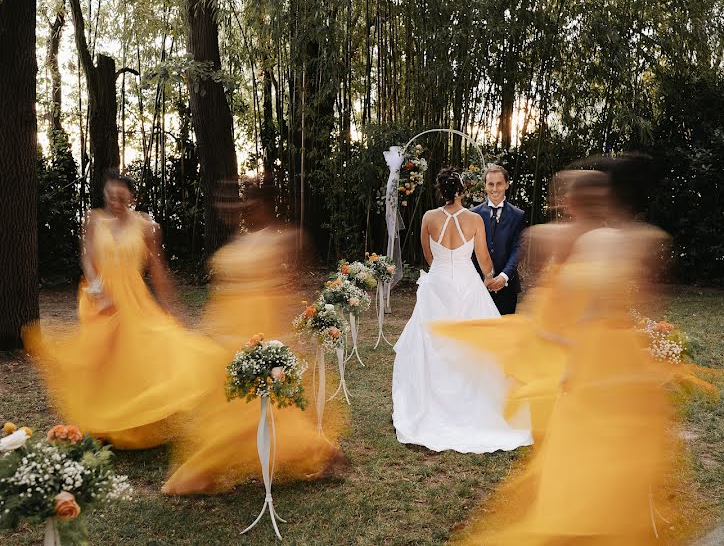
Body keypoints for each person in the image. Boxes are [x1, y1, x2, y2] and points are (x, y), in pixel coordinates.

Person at [433, 161, 678, 544]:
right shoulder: (586, 241)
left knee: (596, 434)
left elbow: (613, 304)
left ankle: (592, 510)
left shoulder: (608, 243)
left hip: (598, 350)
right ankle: (584, 508)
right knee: (584, 434)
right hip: (584, 345)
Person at [163, 179, 348, 494]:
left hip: (259, 329)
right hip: (229, 330)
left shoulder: (287, 238)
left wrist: (290, 334)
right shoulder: (242, 240)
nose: (247, 209)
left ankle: (317, 451)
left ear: (266, 204)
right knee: (229, 403)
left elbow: (290, 287)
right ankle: (211, 468)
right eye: (244, 204)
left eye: (252, 203)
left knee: (261, 406)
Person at [26, 170, 222, 449]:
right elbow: (87, 258)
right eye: (110, 196)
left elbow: (157, 269)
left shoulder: (146, 226)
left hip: (134, 297)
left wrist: (169, 305)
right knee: (104, 356)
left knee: (139, 351)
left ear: (132, 197)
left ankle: (137, 420)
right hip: (100, 297)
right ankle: (102, 419)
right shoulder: (94, 220)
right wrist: (98, 290)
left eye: (121, 196)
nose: (115, 201)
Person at [390, 167, 533, 453]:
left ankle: (431, 403)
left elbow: (428, 255)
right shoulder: (474, 219)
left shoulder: (429, 218)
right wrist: (488, 275)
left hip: (438, 284)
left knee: (434, 345)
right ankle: (478, 405)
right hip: (468, 285)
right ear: (463, 190)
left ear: (440, 190)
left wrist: (444, 266)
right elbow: (484, 260)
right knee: (474, 346)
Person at [471, 164, 525, 314]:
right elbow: (470, 251)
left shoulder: (518, 215)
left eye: (499, 184)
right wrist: (483, 277)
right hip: (478, 285)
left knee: (503, 335)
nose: (495, 189)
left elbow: (518, 249)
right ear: (485, 186)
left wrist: (504, 276)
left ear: (507, 185)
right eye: (491, 184)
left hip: (507, 288)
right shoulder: (473, 214)